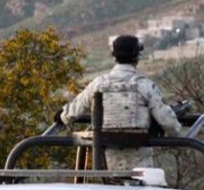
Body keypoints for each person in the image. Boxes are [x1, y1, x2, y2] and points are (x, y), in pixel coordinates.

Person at [56, 35, 182, 170]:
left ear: (113, 56)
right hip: (140, 158)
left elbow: (75, 109)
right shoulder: (145, 86)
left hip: (107, 157)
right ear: (136, 56)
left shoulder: (98, 83)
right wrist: (178, 133)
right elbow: (167, 120)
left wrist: (61, 116)